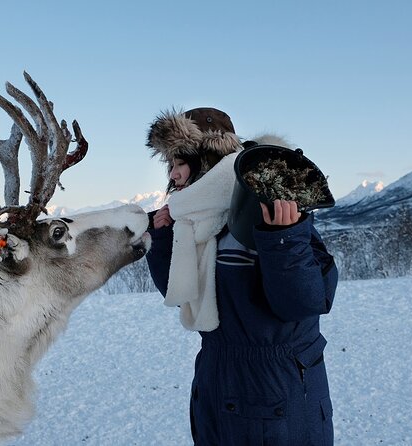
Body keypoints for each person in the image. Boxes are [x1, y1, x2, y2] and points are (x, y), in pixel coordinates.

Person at [145, 107, 338, 445]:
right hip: (217, 380)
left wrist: (285, 238)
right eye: (170, 166)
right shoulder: (194, 222)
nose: (173, 176)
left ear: (208, 156)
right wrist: (161, 243)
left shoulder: (266, 202)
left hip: (277, 390)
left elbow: (306, 301)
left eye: (180, 163)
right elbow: (183, 294)